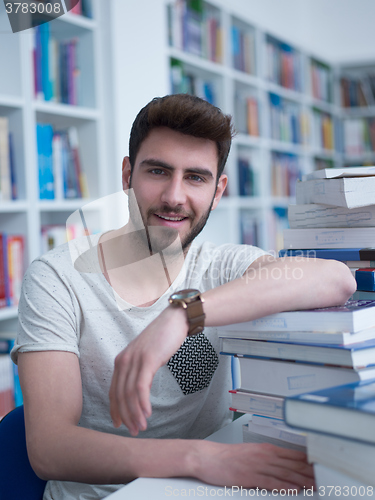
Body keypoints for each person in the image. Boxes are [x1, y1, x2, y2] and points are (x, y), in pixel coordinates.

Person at [11, 94, 356, 500]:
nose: (175, 196)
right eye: (158, 171)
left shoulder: (222, 268)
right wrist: (200, 458)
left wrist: (181, 316)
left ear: (218, 190)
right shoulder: (57, 277)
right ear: (127, 175)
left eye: (195, 177)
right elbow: (51, 450)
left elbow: (336, 279)